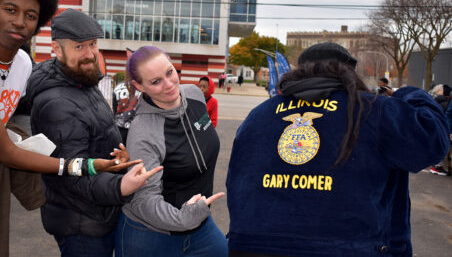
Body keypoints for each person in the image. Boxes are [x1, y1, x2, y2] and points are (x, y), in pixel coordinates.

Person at [0, 0, 132, 257]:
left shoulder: (22, 65)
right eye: (10, 10)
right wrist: (83, 165)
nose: (20, 21)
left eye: (31, 15)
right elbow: (7, 153)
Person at [226, 42, 449, 257]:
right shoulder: (373, 110)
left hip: (253, 246)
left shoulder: (260, 114)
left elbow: (237, 181)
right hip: (350, 247)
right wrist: (409, 94)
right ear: (350, 73)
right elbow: (433, 143)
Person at [25, 9, 162, 257]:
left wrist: (119, 158)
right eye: (79, 47)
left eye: (93, 44)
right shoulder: (57, 103)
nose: (90, 54)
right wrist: (122, 185)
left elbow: (95, 138)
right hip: (82, 226)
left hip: (97, 215)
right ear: (56, 49)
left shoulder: (81, 82)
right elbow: (72, 174)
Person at [116, 46, 227, 257]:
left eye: (169, 72)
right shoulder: (144, 132)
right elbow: (143, 200)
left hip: (199, 221)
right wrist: (184, 218)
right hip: (151, 234)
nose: (169, 85)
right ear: (139, 86)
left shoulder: (194, 94)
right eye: (155, 82)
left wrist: (193, 216)